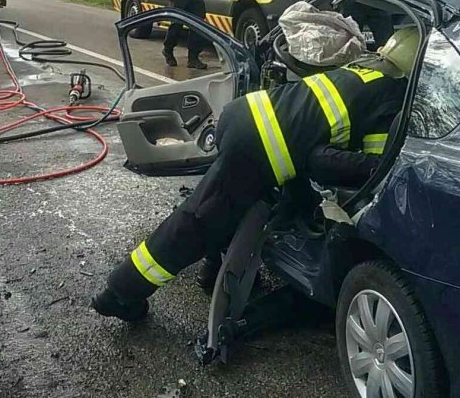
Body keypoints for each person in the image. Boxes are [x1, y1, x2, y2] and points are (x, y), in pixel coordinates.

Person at [91, 27, 419, 321]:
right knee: (195, 224)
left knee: (225, 207)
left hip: (242, 116)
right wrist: (379, 168)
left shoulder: (361, 67)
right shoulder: (391, 96)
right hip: (261, 146)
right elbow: (367, 166)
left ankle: (213, 269)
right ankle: (121, 293)